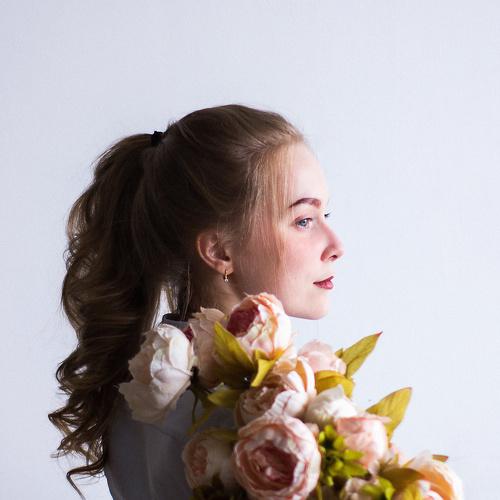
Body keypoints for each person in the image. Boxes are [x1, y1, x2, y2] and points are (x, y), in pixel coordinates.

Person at [48, 103, 344, 499]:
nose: (335, 245)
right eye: (303, 221)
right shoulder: (255, 417)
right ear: (219, 251)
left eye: (326, 215)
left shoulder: (138, 385)